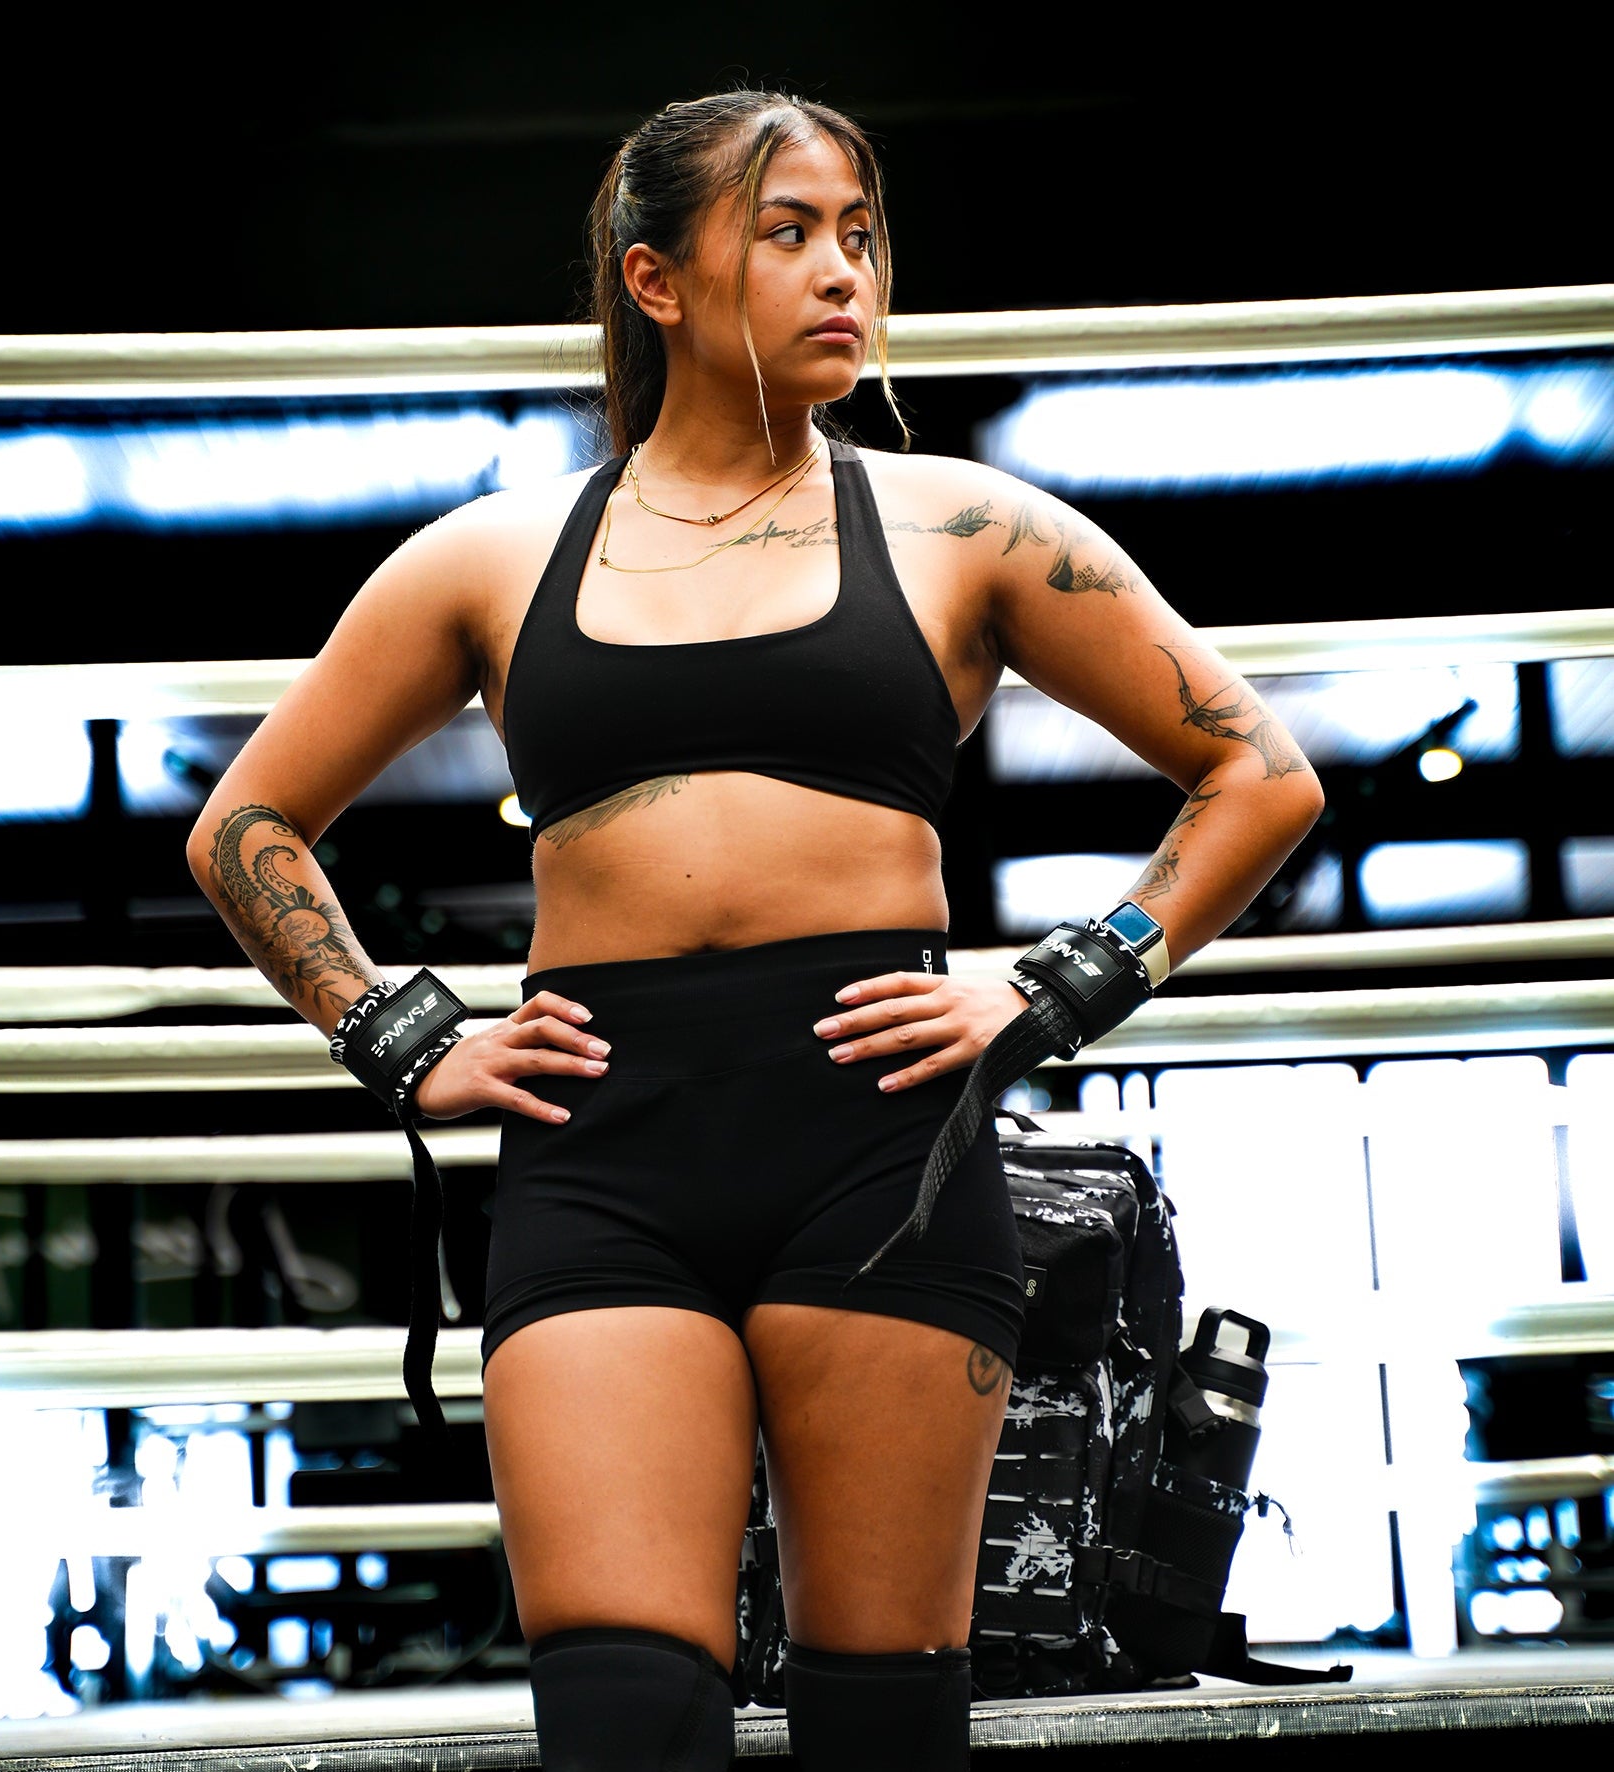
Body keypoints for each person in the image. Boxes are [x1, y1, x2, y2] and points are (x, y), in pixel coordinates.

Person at [187, 89, 1323, 1772]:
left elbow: (1259, 774)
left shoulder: (966, 527)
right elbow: (245, 825)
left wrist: (1054, 991)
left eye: (860, 234)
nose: (843, 273)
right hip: (603, 1148)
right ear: (654, 279)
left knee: (880, 1727)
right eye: (787, 233)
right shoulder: (491, 556)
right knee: (624, 1719)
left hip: (882, 1149)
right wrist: (404, 1038)